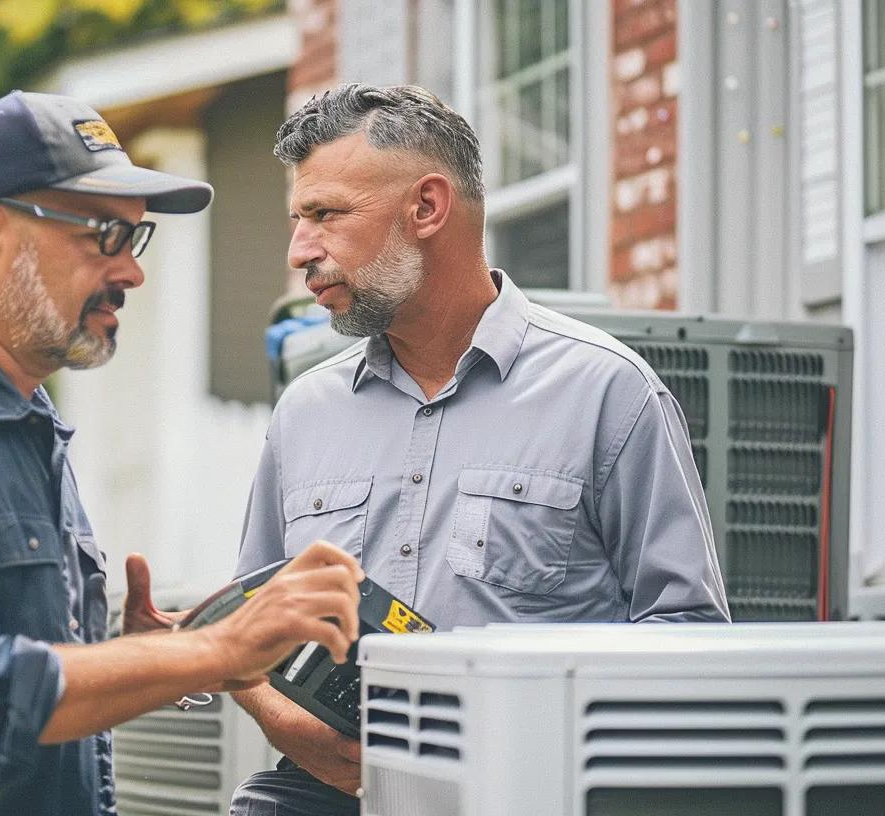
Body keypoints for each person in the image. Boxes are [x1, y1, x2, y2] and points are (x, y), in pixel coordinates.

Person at [0, 90, 365, 816]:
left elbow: (24, 687)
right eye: (101, 235)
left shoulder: (27, 424)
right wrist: (215, 651)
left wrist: (128, 651)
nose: (132, 273)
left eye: (134, 239)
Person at [227, 84, 731, 815]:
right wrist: (297, 733)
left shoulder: (608, 393)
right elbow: (247, 634)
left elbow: (686, 637)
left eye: (326, 215)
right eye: (299, 220)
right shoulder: (304, 412)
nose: (300, 250)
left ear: (427, 208)